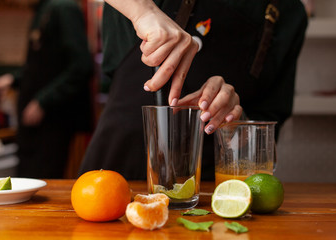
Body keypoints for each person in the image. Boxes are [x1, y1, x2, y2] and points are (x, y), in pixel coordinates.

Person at [79, 0, 308, 180]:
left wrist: (234, 119)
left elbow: (262, 143)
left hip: (205, 193)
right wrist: (144, 12)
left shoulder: (289, 13)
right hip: (110, 178)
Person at [0, 0, 93, 178]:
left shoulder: (63, 7)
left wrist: (43, 100)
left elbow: (81, 66)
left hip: (52, 122)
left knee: (42, 184)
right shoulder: (43, 9)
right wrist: (12, 79)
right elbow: (41, 66)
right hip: (33, 126)